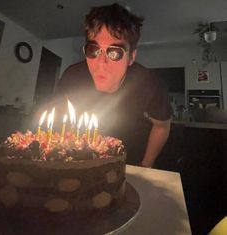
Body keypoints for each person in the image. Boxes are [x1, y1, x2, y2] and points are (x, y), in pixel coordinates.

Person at [53, 3, 173, 167]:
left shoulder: (149, 84)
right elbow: (61, 121)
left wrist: (146, 165)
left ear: (131, 57)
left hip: (129, 161)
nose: (101, 63)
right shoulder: (72, 77)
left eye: (114, 52)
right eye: (93, 50)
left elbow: (162, 126)